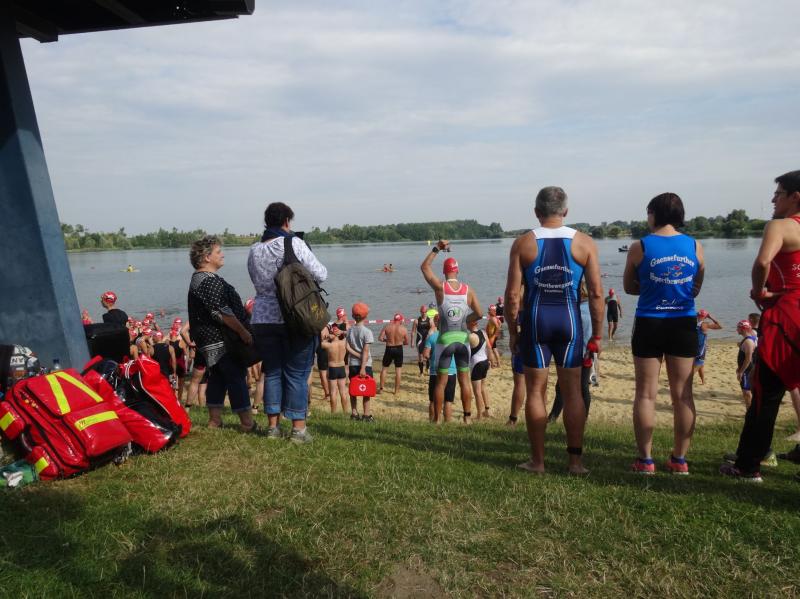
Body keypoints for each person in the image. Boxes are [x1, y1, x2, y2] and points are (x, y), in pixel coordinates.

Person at [505, 186, 603, 475]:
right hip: (569, 322)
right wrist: (597, 334)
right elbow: (596, 294)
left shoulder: (523, 243)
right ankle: (575, 463)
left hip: (537, 322)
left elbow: (512, 297)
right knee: (573, 392)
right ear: (566, 211)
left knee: (536, 391)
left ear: (537, 212)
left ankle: (538, 462)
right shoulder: (585, 243)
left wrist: (513, 332)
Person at [721, 170, 800, 482]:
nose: (773, 199)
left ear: (795, 197)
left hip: (787, 318)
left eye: (778, 193)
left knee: (765, 394)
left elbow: (763, 262)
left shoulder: (780, 226)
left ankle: (749, 465)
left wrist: (759, 292)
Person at [623, 192, 704, 475]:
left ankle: (645, 461)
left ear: (654, 214)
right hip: (683, 321)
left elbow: (629, 287)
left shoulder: (640, 246)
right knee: (683, 395)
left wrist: (651, 288)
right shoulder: (695, 245)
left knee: (646, 394)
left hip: (649, 322)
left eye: (648, 213)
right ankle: (679, 460)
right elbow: (696, 285)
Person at [248, 202, 328, 443]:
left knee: (272, 371)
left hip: (262, 318)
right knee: (297, 373)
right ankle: (298, 430)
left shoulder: (254, 250)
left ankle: (272, 428)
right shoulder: (293, 243)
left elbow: (256, 281)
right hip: (294, 317)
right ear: (286, 221)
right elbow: (321, 274)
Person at [188, 235, 255, 432]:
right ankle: (247, 423)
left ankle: (215, 420)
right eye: (218, 252)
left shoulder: (199, 279)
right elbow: (222, 312)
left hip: (208, 338)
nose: (222, 255)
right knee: (236, 375)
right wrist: (243, 331)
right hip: (220, 339)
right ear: (207, 257)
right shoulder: (208, 280)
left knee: (217, 377)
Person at [421, 240, 483, 425]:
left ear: (444, 271)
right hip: (463, 340)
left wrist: (437, 248)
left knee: (441, 382)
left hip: (445, 340)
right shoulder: (468, 290)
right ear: (457, 271)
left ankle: (437, 420)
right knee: (464, 380)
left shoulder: (440, 287)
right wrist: (465, 320)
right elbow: (479, 314)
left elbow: (424, 267)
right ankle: (467, 418)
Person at [548, 280, 594, 423]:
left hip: (578, 352)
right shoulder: (588, 308)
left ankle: (554, 417)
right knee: (578, 387)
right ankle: (578, 417)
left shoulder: (580, 308)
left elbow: (579, 332)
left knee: (568, 386)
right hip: (584, 352)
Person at [423, 314, 457, 422]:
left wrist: (431, 357)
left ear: (436, 323)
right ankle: (447, 423)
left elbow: (425, 354)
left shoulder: (432, 337)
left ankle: (433, 421)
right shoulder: (452, 337)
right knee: (448, 401)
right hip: (451, 370)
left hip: (435, 371)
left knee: (433, 400)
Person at [346, 302, 375, 422]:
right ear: (366, 316)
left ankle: (354, 413)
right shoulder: (367, 332)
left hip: (353, 364)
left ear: (353, 316)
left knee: (353, 389)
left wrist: (356, 355)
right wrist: (363, 367)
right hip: (365, 365)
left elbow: (347, 347)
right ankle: (366, 415)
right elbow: (366, 351)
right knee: (366, 390)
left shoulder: (349, 331)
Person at [378, 313, 409, 394]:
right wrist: (400, 341)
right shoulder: (403, 329)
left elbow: (380, 338)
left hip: (389, 348)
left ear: (394, 319)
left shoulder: (387, 326)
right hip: (399, 349)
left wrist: (387, 340)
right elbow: (407, 342)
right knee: (398, 370)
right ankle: (396, 391)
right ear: (401, 320)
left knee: (384, 369)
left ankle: (381, 389)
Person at [321, 324, 349, 413]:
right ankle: (345, 412)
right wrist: (342, 332)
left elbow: (321, 343)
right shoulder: (344, 342)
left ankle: (333, 413)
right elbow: (350, 334)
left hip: (332, 368)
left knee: (333, 392)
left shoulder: (328, 345)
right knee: (343, 391)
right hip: (341, 368)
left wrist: (328, 337)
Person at [467, 319, 492, 419]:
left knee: (477, 392)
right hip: (485, 361)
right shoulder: (483, 332)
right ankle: (487, 410)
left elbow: (465, 352)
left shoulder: (470, 336)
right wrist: (490, 360)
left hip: (476, 364)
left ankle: (479, 415)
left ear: (470, 324)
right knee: (483, 388)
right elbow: (489, 347)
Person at [693, 309, 722, 385]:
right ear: (705, 317)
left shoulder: (692, 323)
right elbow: (720, 326)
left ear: (697, 315)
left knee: (701, 365)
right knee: (699, 363)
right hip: (701, 348)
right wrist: (711, 317)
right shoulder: (704, 324)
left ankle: (703, 381)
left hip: (692, 346)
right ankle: (687, 378)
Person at [735, 319, 757, 409]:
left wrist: (741, 372)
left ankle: (750, 411)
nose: (737, 329)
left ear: (743, 329)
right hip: (747, 369)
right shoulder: (748, 339)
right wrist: (739, 368)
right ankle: (751, 410)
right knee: (747, 391)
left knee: (746, 392)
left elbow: (748, 359)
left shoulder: (748, 342)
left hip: (747, 370)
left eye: (738, 328)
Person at [410, 305, 432, 375]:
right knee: (420, 357)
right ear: (420, 312)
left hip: (428, 340)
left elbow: (433, 329)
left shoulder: (430, 320)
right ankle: (421, 372)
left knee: (428, 356)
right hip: (420, 341)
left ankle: (427, 368)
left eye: (425, 312)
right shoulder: (416, 321)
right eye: (422, 312)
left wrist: (432, 337)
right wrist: (412, 342)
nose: (423, 313)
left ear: (427, 312)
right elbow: (413, 332)